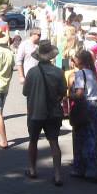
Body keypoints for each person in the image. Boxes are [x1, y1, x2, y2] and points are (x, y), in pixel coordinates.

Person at [22, 40, 67, 186]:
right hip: (53, 112)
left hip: (35, 111)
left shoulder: (32, 72)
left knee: (33, 141)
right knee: (54, 142)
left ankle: (32, 169)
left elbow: (25, 92)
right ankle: (58, 174)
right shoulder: (59, 72)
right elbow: (62, 93)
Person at [70, 49, 97, 182]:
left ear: (81, 61)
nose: (74, 61)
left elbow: (80, 93)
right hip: (95, 106)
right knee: (96, 137)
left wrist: (70, 95)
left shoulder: (80, 73)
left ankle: (84, 168)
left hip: (85, 106)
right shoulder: (93, 73)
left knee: (82, 138)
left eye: (75, 58)